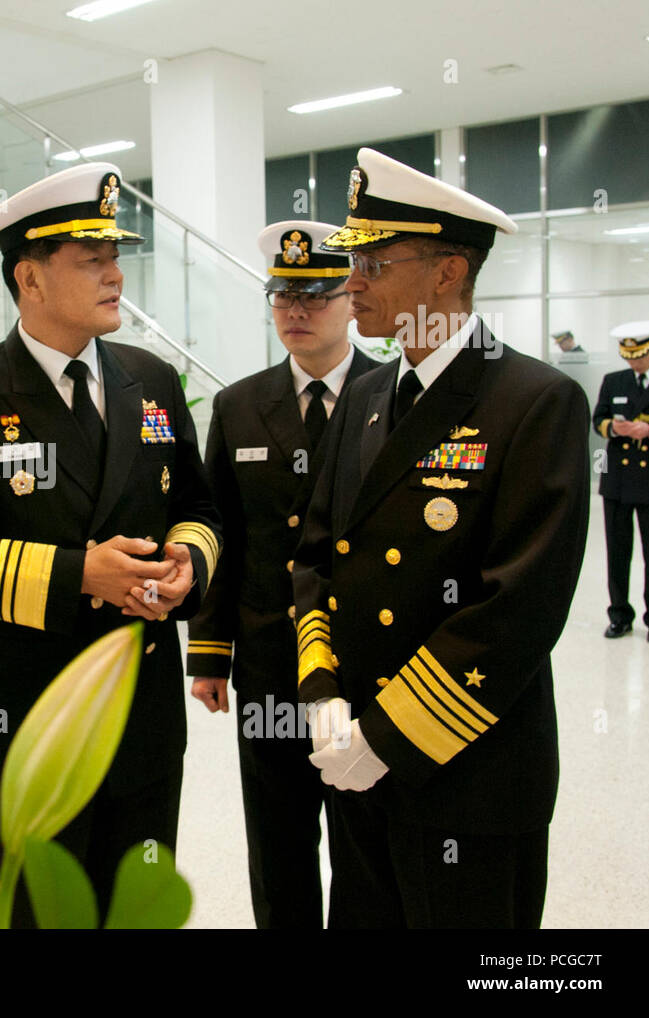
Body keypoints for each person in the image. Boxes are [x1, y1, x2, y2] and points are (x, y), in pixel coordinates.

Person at [0, 162, 220, 925]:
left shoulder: (152, 380)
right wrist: (82, 575)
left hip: (142, 715)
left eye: (115, 257)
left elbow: (198, 506)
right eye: (92, 260)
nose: (117, 275)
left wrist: (187, 564)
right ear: (30, 279)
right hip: (33, 719)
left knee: (134, 910)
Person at [292, 148, 590, 928]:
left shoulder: (534, 401)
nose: (352, 281)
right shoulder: (362, 397)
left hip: (467, 772)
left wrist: (387, 736)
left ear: (447, 273)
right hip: (355, 764)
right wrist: (322, 692)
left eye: (375, 264)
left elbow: (517, 608)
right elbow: (317, 558)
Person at [186, 220, 380, 928]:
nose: (295, 313)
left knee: (363, 841)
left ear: (352, 300)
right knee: (277, 840)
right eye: (282, 298)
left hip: (363, 662)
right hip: (269, 661)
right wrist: (210, 654)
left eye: (316, 297)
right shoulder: (239, 406)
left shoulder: (392, 399)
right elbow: (222, 535)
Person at [592, 321, 649, 640]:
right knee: (617, 551)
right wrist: (615, 430)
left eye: (640, 356)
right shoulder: (613, 381)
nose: (634, 362)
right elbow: (598, 419)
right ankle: (619, 615)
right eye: (629, 356)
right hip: (617, 480)